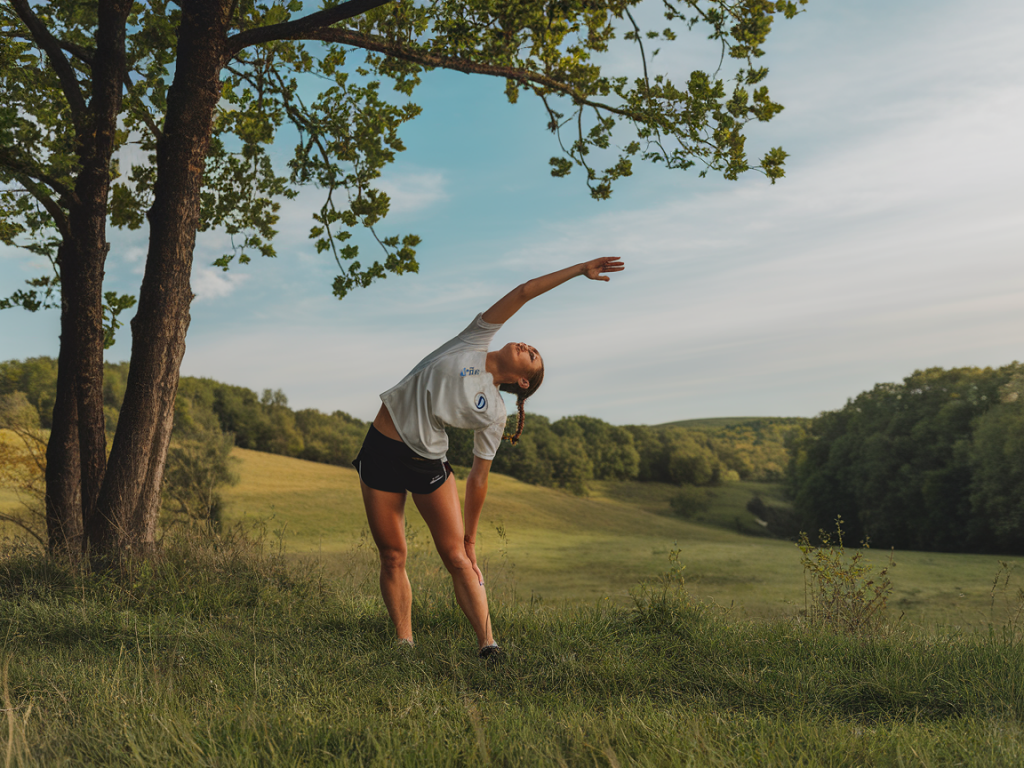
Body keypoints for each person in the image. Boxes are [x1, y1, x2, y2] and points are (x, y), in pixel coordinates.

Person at [352, 257, 625, 657]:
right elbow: (524, 292)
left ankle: (488, 646)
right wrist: (578, 269)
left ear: (522, 381)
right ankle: (404, 644)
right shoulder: (472, 340)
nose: (527, 346)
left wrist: (471, 538)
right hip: (381, 448)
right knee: (392, 555)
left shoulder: (495, 413)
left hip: (427, 463)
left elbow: (479, 477)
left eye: (532, 356)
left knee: (458, 558)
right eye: (530, 346)